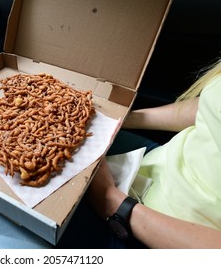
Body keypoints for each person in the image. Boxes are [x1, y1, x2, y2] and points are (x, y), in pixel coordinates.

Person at [58, 58, 221, 249]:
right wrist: (124, 120)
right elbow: (209, 108)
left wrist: (110, 201)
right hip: (157, 162)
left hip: (155, 233)